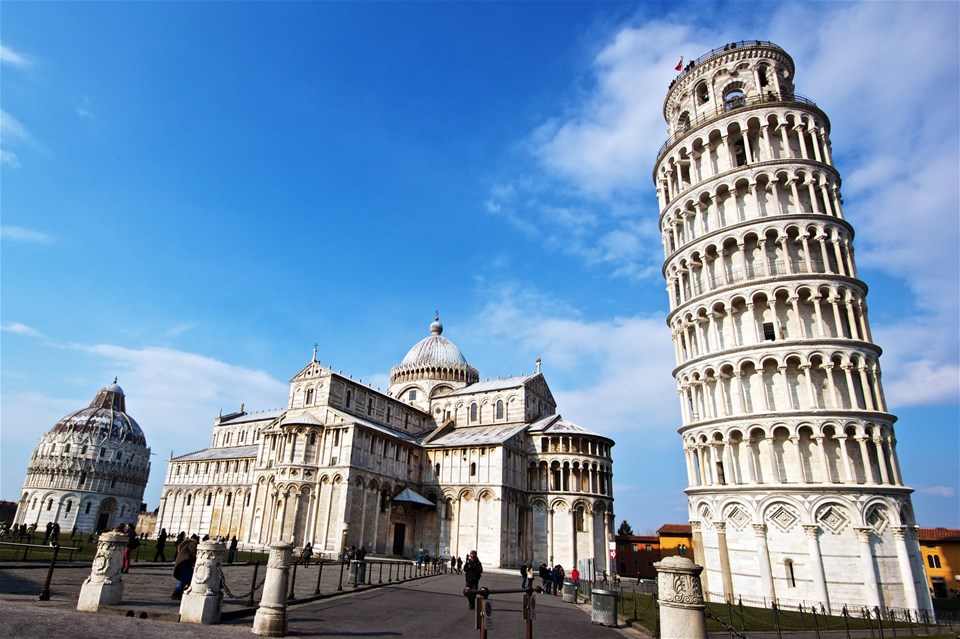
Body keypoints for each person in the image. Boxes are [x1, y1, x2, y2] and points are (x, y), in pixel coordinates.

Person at [172, 534, 199, 599]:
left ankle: (181, 591)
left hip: (183, 562)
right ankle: (176, 592)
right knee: (186, 578)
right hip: (185, 562)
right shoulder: (193, 543)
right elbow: (194, 552)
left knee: (188, 578)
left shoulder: (187, 543)